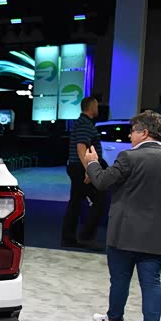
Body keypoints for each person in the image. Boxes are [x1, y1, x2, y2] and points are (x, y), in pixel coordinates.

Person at [83, 110, 161, 321]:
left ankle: (114, 320)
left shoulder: (128, 157)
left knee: (119, 279)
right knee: (152, 283)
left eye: (132, 131)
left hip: (123, 232)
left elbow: (102, 182)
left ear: (144, 133)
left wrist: (92, 163)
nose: (130, 136)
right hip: (157, 234)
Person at [61, 96, 106, 250]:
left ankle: (69, 238)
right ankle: (86, 237)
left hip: (77, 167)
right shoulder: (84, 124)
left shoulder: (82, 123)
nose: (98, 109)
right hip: (80, 168)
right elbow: (81, 149)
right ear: (90, 107)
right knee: (99, 199)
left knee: (75, 202)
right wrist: (89, 170)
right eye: (96, 106)